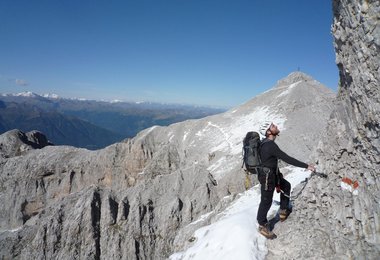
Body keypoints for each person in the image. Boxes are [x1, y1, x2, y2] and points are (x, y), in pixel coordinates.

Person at [257, 121, 315, 239]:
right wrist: (306, 166)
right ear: (268, 132)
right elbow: (287, 158)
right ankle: (262, 225)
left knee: (286, 185)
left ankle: (283, 211)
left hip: (272, 175)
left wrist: (277, 174)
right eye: (273, 126)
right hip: (267, 177)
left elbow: (269, 161)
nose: (276, 127)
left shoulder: (266, 143)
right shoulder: (270, 145)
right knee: (266, 201)